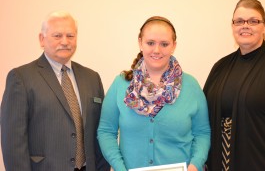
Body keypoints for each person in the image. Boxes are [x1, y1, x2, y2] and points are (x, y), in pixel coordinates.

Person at [97, 16, 211, 171]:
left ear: (173, 46)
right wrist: (118, 167)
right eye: (150, 43)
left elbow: (202, 133)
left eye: (164, 44)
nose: (157, 50)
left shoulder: (191, 86)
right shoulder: (121, 84)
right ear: (140, 43)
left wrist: (195, 165)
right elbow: (106, 131)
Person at [1, 11, 110, 171]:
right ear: (42, 39)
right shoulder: (21, 78)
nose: (65, 42)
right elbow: (13, 141)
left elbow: (100, 131)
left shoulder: (92, 77)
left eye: (70, 36)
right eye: (57, 36)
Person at [203, 0, 265, 171]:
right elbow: (203, 121)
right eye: (239, 21)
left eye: (253, 21)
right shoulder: (220, 67)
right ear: (232, 26)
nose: (245, 26)